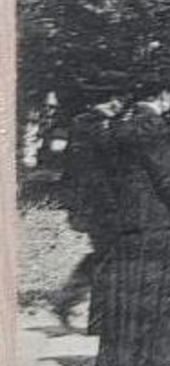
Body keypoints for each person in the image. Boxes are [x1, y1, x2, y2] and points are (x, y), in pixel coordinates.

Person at [93, 74, 170, 366]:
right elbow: (166, 179)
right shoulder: (154, 126)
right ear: (164, 93)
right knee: (156, 293)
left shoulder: (118, 126)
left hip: (125, 221)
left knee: (129, 292)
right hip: (154, 220)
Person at [53, 71, 126, 331]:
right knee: (108, 257)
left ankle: (76, 303)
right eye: (118, 98)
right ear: (110, 99)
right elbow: (95, 172)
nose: (121, 104)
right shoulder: (93, 125)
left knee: (104, 256)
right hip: (98, 204)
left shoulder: (88, 123)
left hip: (92, 203)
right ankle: (76, 304)